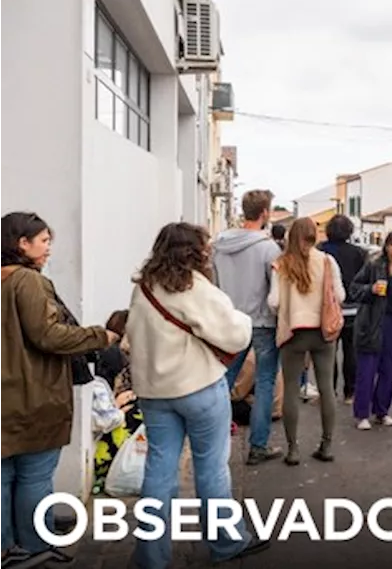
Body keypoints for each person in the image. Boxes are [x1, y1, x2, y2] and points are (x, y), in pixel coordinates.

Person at [127, 223, 270, 568]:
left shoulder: (144, 287)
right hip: (199, 387)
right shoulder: (196, 287)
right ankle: (226, 542)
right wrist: (240, 319)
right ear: (195, 252)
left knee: (159, 472)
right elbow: (235, 335)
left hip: (155, 393)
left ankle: (151, 557)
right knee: (211, 468)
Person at [0, 213, 118, 568]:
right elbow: (47, 335)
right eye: (45, 241)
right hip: (33, 394)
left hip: (7, 395)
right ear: (22, 243)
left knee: (4, 475)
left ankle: (7, 548)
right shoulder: (28, 282)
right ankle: (37, 546)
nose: (49, 249)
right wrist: (101, 335)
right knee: (35, 474)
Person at [213, 189, 285, 465]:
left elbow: (215, 285)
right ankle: (258, 446)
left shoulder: (220, 246)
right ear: (265, 213)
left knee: (223, 381)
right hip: (263, 322)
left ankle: (214, 440)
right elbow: (276, 290)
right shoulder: (268, 249)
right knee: (265, 382)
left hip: (231, 321)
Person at [268, 218, 345, 464]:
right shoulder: (326, 261)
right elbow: (340, 295)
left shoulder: (281, 264)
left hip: (294, 333)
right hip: (323, 332)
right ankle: (327, 445)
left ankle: (293, 449)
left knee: (291, 388)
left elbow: (273, 302)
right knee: (326, 388)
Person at [349, 231, 392, 431]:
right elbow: (354, 289)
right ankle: (361, 414)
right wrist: (371, 290)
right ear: (386, 246)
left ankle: (381, 411)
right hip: (371, 322)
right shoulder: (374, 266)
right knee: (367, 370)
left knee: (389, 369)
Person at [319, 214, 371, 405]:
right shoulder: (359, 253)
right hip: (354, 309)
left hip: (327, 308)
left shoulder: (321, 251)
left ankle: (328, 391)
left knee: (328, 353)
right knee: (351, 352)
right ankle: (350, 392)